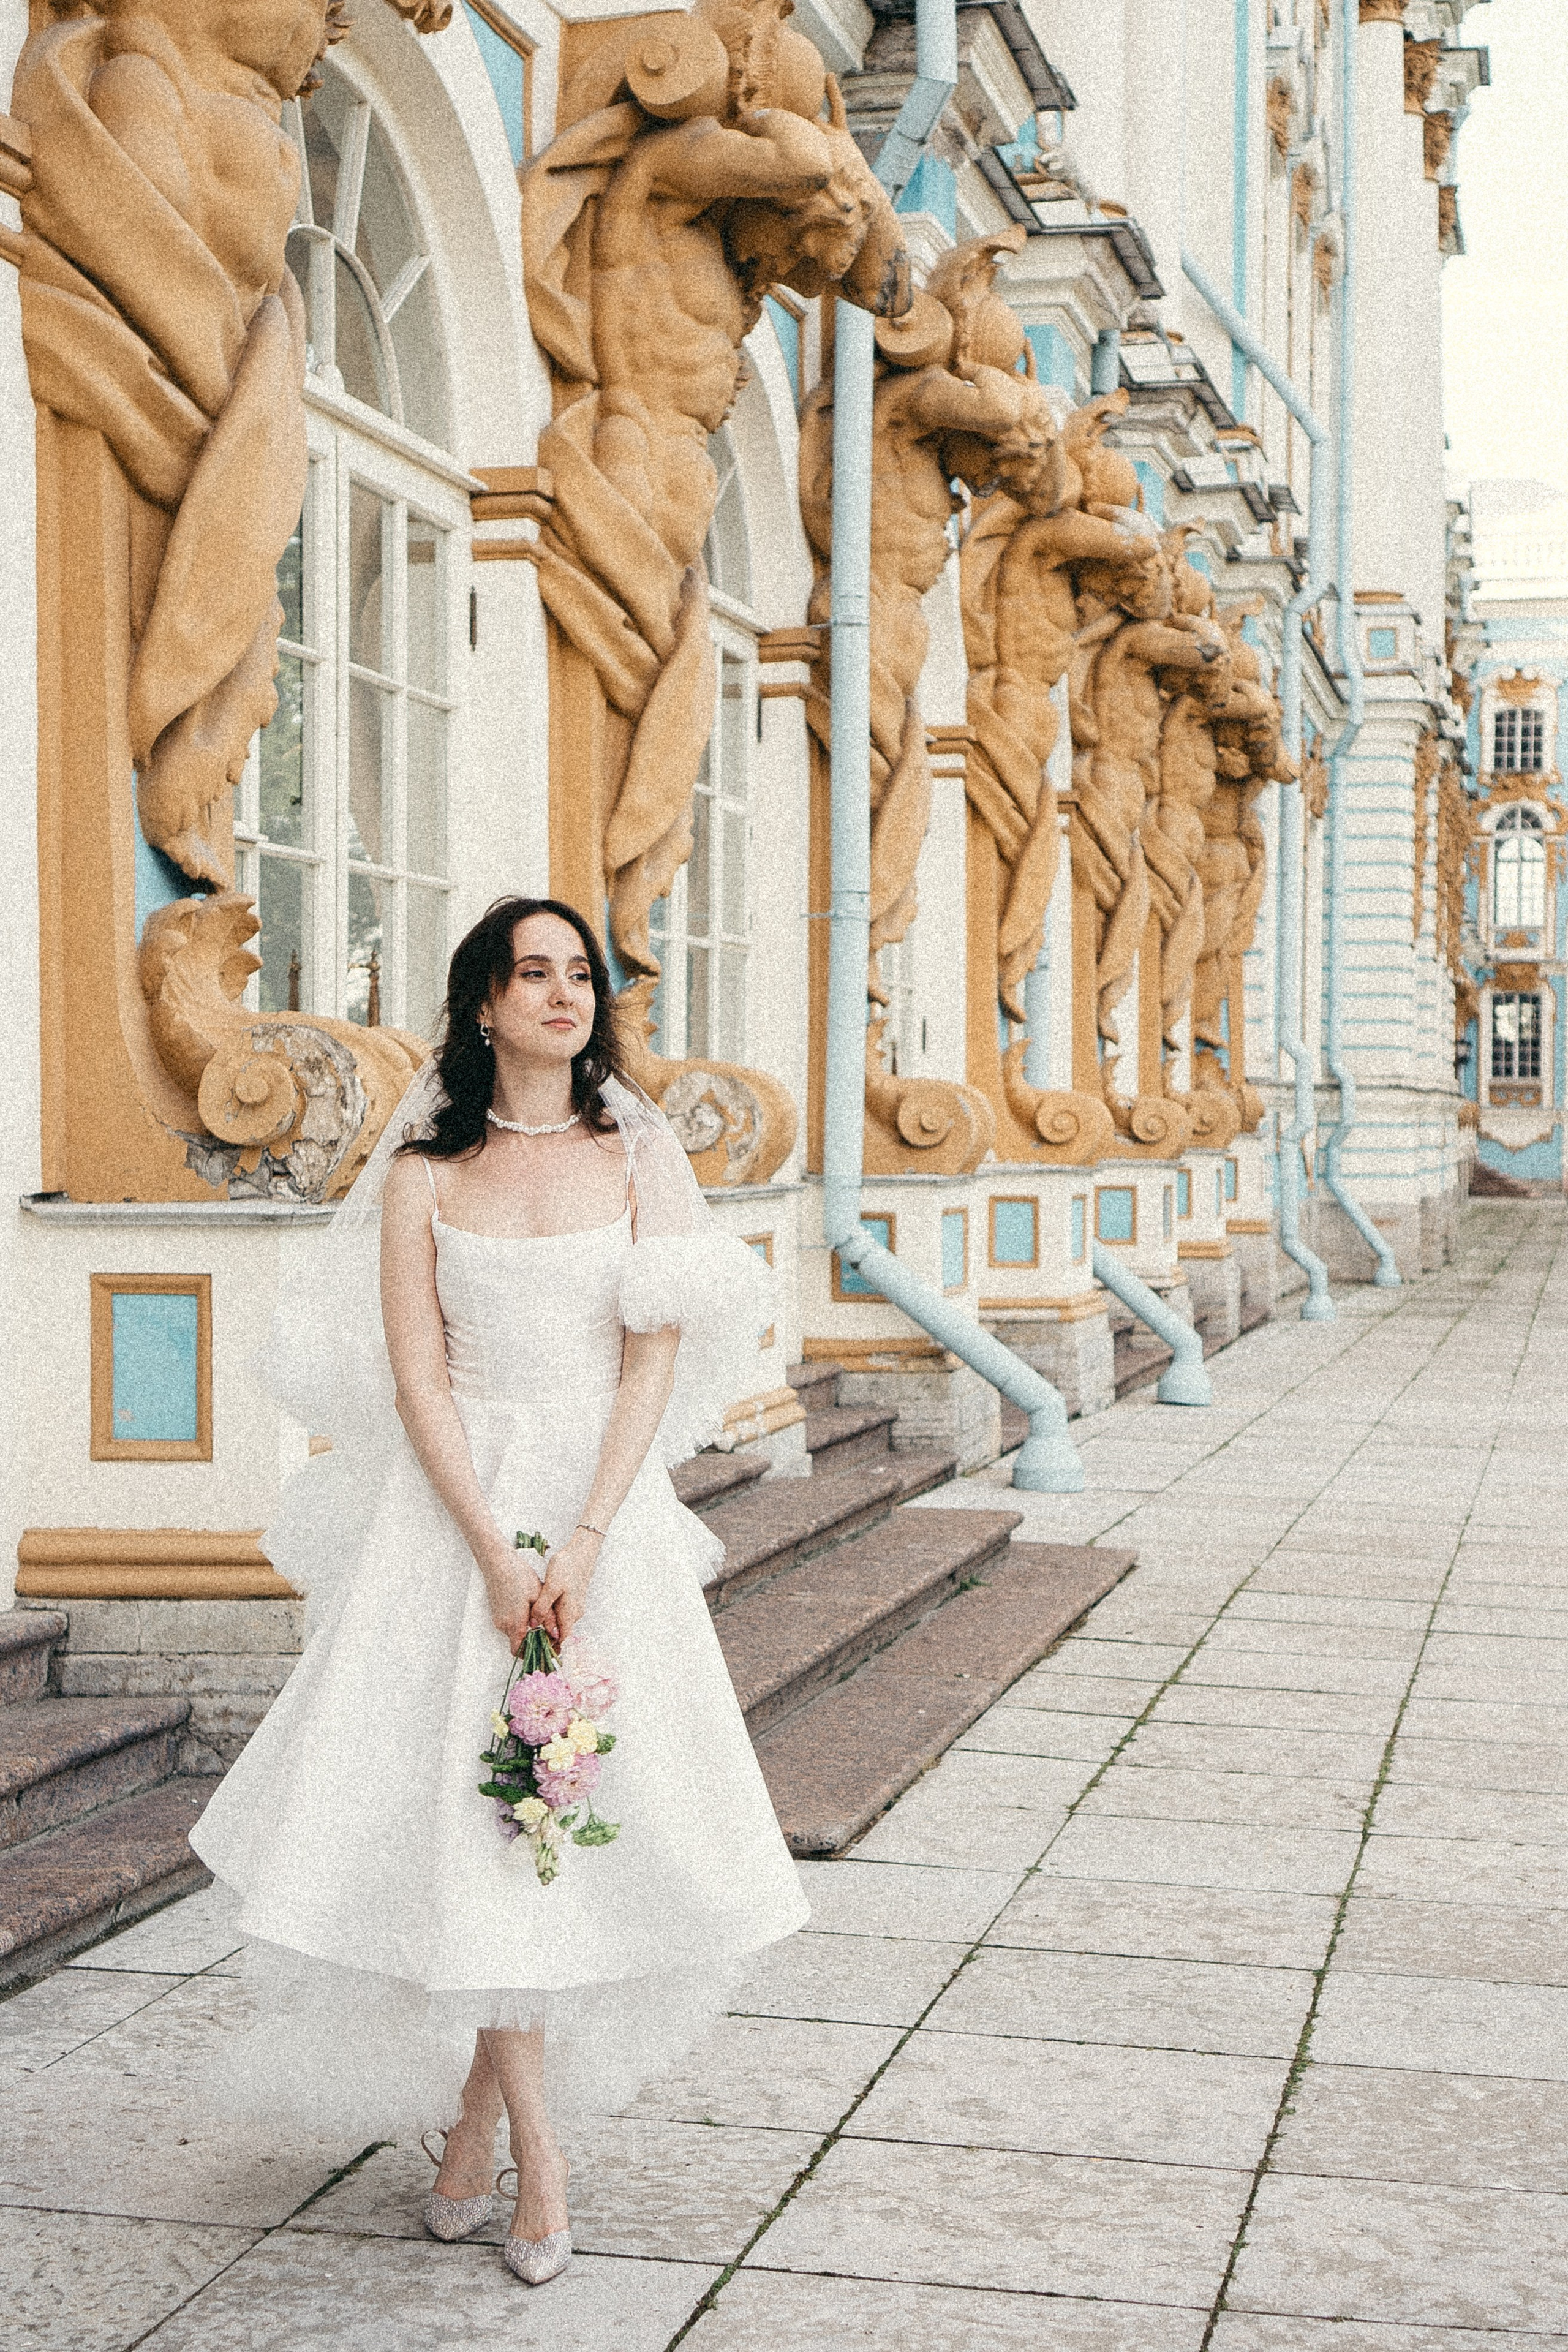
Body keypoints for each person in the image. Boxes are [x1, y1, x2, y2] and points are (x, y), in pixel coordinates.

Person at [190, 895, 809, 2285]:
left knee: (555, 1816)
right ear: (482, 1003)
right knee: (483, 1828)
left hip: (603, 1517)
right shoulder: (423, 1170)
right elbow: (418, 1380)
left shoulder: (639, 1150)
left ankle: (475, 2136)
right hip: (454, 1522)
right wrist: (492, 1551)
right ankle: (541, 2163)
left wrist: (579, 1541)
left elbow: (649, 1360)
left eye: (578, 974)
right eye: (532, 974)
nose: (561, 995)